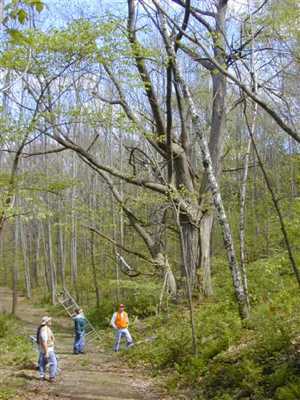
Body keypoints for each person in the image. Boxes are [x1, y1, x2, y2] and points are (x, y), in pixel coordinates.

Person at [37, 316, 58, 382]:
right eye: (49, 321)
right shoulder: (44, 329)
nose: (51, 322)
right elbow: (44, 342)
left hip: (45, 349)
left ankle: (42, 376)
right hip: (48, 349)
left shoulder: (45, 328)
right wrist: (46, 352)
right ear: (46, 322)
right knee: (53, 363)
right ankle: (52, 377)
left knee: (42, 362)